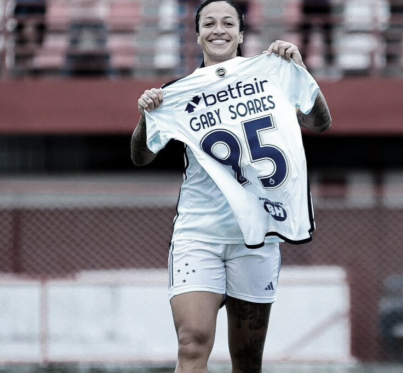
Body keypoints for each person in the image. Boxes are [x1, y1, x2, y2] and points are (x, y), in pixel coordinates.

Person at [130, 1, 332, 372]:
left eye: (228, 23)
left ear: (241, 34)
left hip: (257, 237)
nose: (218, 29)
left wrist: (301, 72)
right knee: (192, 345)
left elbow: (319, 122)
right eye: (208, 23)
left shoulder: (273, 72)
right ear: (197, 34)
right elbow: (141, 156)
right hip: (199, 234)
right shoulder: (178, 91)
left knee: (247, 360)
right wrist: (146, 116)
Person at [299, 0, 335, 69]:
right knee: (305, 36)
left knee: (327, 36)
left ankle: (330, 63)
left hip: (322, 4)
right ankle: (302, 63)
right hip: (310, 4)